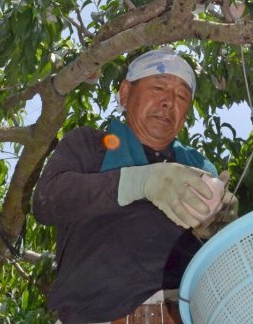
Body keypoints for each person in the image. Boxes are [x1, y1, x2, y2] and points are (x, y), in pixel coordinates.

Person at [33, 48, 238, 324]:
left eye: (181, 97)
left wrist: (219, 229)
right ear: (125, 93)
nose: (169, 102)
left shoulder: (199, 168)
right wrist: (140, 181)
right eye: (158, 87)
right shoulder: (90, 145)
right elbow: (47, 200)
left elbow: (220, 266)